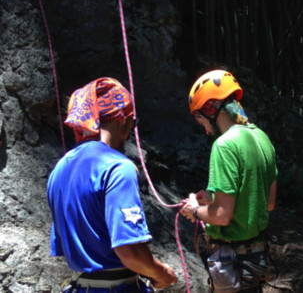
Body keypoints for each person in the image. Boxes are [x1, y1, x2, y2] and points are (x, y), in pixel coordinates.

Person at [47, 78, 177, 292]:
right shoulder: (117, 167)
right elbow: (130, 252)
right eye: (131, 123)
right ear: (122, 120)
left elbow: (66, 245)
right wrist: (162, 274)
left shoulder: (58, 171)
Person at [180, 70, 277, 293]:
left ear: (210, 108)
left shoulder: (224, 145)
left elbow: (221, 216)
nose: (204, 128)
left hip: (232, 265)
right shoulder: (262, 138)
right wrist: (213, 198)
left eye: (199, 117)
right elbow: (268, 203)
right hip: (256, 260)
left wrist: (195, 210)